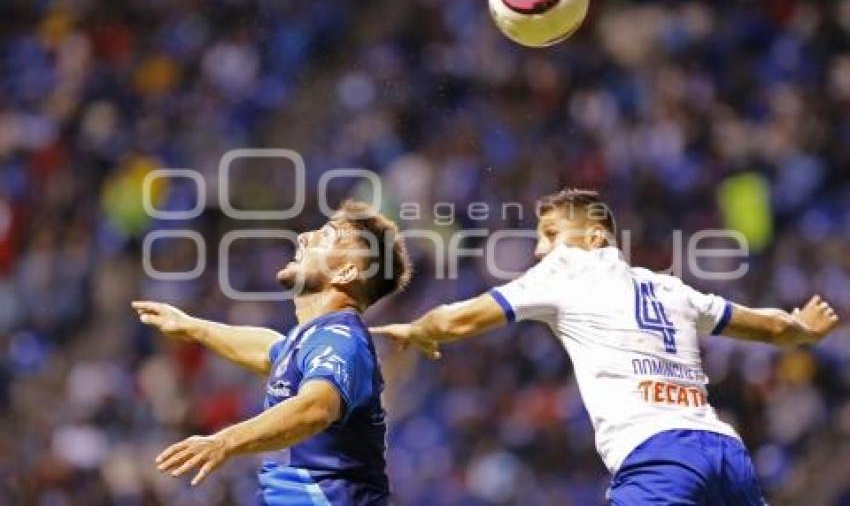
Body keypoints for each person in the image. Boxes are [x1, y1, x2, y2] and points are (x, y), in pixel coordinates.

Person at [372, 188, 840, 505]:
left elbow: (462, 317)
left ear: (595, 236)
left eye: (551, 234)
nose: (539, 250)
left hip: (657, 455)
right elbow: (768, 328)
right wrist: (802, 328)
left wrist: (419, 329)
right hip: (724, 452)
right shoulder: (670, 288)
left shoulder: (569, 270)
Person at [132, 200, 411, 505]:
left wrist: (225, 441)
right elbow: (270, 351)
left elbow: (316, 408)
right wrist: (193, 327)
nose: (305, 236)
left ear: (345, 273)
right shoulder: (314, 339)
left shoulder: (340, 339)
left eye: (327, 235)